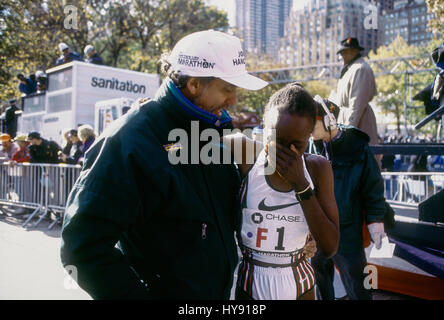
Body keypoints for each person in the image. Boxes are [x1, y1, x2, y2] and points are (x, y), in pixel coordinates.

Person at [60, 30, 268, 299]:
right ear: (194, 84)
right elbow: (81, 249)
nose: (234, 100)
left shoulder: (213, 130)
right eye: (228, 89)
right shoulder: (130, 141)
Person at [227, 83, 339, 300]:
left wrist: (301, 184)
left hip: (299, 281)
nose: (286, 152)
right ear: (264, 128)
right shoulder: (245, 152)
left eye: (297, 144)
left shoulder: (318, 168)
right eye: (277, 140)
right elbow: (177, 147)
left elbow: (329, 247)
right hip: (251, 280)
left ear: (309, 137)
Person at [309, 97, 386, 300]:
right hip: (318, 228)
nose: (306, 126)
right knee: (320, 278)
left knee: (358, 283)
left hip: (348, 231)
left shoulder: (358, 147)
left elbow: (373, 187)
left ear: (329, 120)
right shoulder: (310, 146)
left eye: (311, 121)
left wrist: (375, 221)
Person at [332, 37, 379, 145]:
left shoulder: (360, 69)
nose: (341, 57)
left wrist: (348, 132)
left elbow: (356, 105)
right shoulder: (351, 69)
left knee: (360, 158)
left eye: (344, 52)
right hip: (348, 121)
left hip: (359, 124)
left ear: (355, 51)